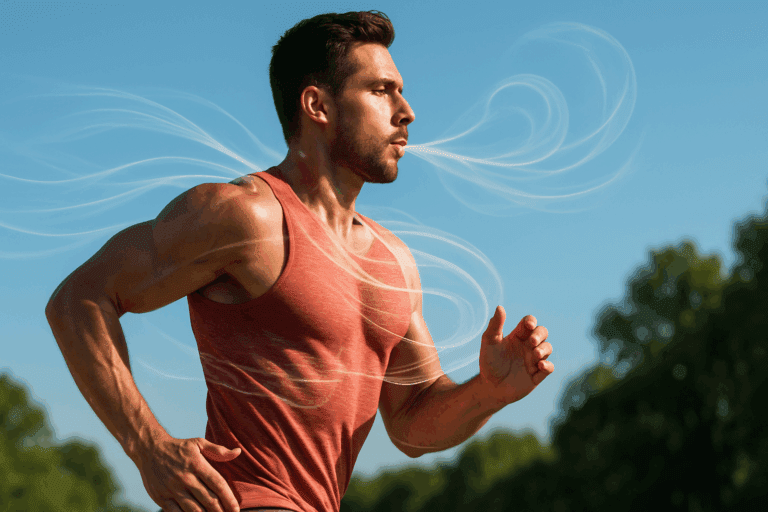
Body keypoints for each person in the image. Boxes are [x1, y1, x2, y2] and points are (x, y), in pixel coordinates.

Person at [44, 10, 554, 512]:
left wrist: (488, 392)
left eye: (400, 90)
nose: (406, 111)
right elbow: (78, 299)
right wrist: (148, 446)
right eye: (381, 90)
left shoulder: (394, 261)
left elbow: (413, 423)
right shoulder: (243, 216)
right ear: (317, 105)